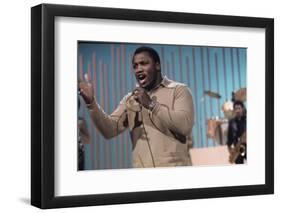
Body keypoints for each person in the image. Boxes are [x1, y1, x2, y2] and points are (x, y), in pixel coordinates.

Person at [79, 46, 194, 168]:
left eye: (143, 64)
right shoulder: (130, 99)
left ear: (157, 66)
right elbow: (109, 131)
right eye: (135, 66)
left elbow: (185, 126)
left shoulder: (179, 90)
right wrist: (91, 103)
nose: (138, 69)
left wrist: (151, 104)